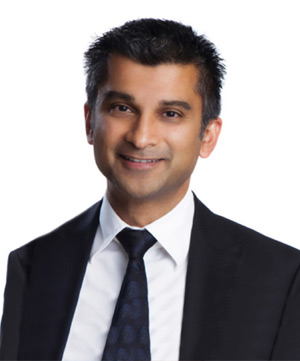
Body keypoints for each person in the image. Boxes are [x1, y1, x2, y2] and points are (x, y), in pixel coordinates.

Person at [1, 18, 300, 361]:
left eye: (170, 113)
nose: (141, 137)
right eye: (122, 108)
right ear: (89, 122)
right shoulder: (33, 265)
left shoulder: (280, 278)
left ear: (208, 135)